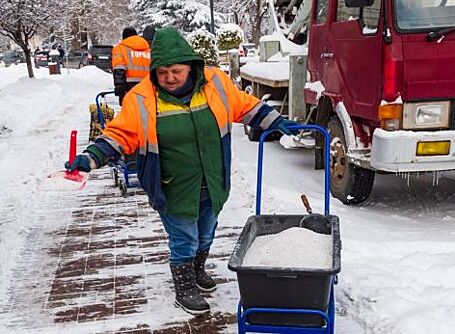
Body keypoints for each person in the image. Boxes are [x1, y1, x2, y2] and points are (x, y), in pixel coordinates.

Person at [65, 27, 297, 315]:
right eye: (162, 73)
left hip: (213, 179)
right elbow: (119, 135)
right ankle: (184, 287)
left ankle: (197, 271)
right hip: (172, 185)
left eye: (176, 70)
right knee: (183, 238)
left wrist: (276, 121)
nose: (169, 78)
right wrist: (89, 159)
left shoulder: (215, 84)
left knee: (206, 232)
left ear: (191, 66)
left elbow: (245, 106)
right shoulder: (142, 98)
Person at [111, 27, 151, 106]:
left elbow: (119, 68)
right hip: (147, 86)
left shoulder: (120, 49)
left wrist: (119, 85)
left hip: (129, 87)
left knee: (130, 112)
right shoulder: (148, 50)